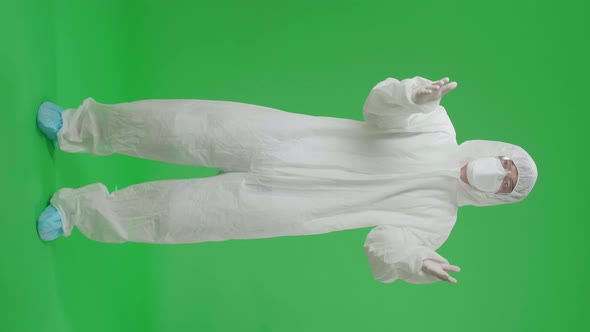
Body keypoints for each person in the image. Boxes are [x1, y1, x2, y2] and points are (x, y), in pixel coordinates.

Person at [36, 76, 538, 285]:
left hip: (282, 206)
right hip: (284, 140)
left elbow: (381, 248)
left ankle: (77, 213)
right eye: (506, 164)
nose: (498, 175)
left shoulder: (436, 221)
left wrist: (412, 261)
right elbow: (377, 111)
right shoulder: (436, 126)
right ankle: (79, 126)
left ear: (498, 198)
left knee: (177, 217)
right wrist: (409, 95)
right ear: (495, 150)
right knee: (182, 125)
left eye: (507, 182)